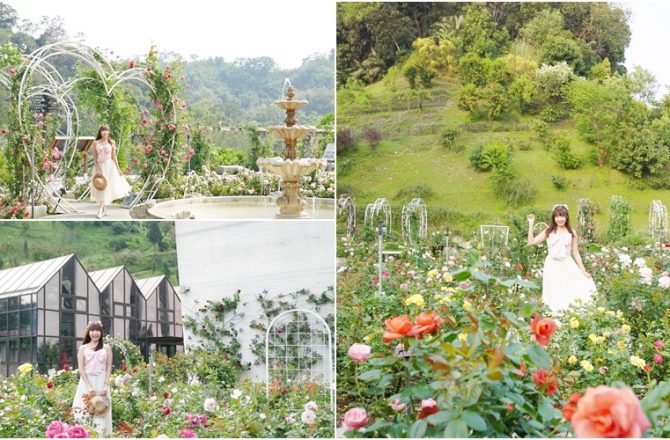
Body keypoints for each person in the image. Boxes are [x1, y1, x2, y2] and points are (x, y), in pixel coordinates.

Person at [527, 204, 596, 313]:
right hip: (552, 265)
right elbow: (531, 242)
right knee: (555, 289)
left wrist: (583, 270)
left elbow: (575, 252)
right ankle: (555, 315)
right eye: (557, 216)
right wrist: (531, 224)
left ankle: (570, 314)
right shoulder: (548, 231)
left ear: (566, 217)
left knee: (573, 286)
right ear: (554, 218)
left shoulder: (571, 232)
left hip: (567, 263)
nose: (560, 219)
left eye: (562, 216)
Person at [71, 321, 113, 436]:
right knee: (83, 412)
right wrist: (89, 387)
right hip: (86, 383)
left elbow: (109, 367)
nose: (95, 333)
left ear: (101, 332)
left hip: (101, 382)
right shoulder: (83, 348)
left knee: (100, 411)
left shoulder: (107, 347)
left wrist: (105, 385)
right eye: (92, 330)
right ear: (88, 332)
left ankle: (100, 436)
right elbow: (81, 368)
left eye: (97, 330)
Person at [91, 125, 131, 218]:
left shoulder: (112, 142)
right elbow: (94, 158)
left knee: (106, 188)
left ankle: (101, 209)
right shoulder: (95, 143)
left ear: (109, 132)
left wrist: (118, 169)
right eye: (103, 130)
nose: (104, 132)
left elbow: (114, 157)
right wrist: (97, 169)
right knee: (101, 187)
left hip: (110, 167)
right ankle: (103, 210)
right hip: (99, 167)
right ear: (100, 132)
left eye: (106, 130)